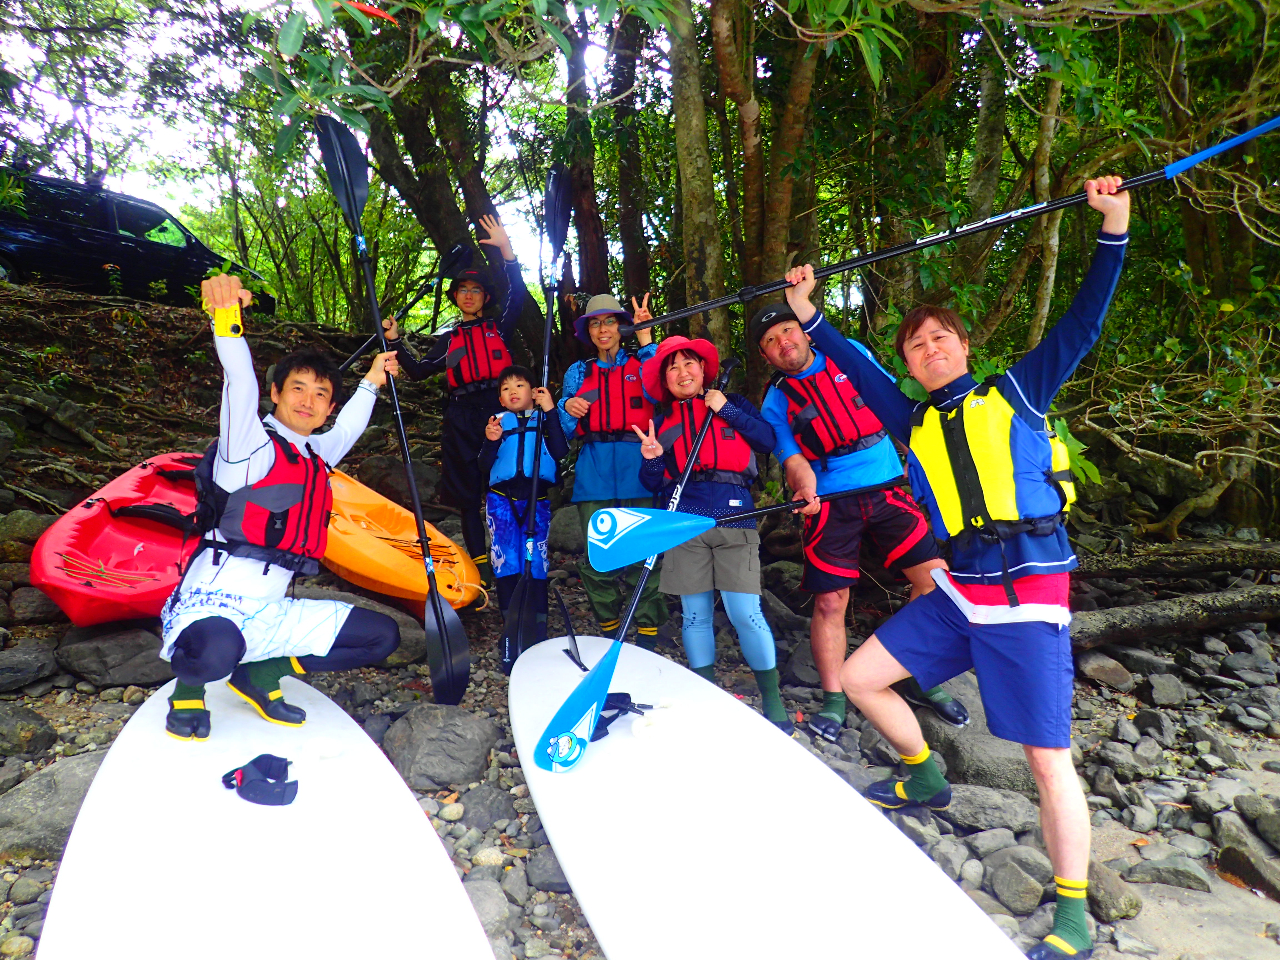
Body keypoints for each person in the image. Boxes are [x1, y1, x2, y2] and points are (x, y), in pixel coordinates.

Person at [783, 177, 1130, 960]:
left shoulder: (1018, 394)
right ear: (909, 363)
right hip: (961, 594)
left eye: (941, 338)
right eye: (917, 345)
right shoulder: (912, 421)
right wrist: (807, 312)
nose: (930, 349)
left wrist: (1113, 227)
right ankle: (925, 775)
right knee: (861, 678)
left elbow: (1084, 321)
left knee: (1047, 762)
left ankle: (1073, 914)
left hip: (1028, 600)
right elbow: (855, 371)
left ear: (964, 347)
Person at [161, 274, 402, 741]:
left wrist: (373, 380)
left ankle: (259, 674)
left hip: (271, 611)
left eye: (321, 395)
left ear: (328, 408)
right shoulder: (247, 446)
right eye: (298, 389)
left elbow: (349, 428)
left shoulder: (315, 455)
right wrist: (226, 320)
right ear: (276, 393)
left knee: (382, 637)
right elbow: (239, 383)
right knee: (216, 651)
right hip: (212, 603)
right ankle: (188, 689)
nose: (308, 402)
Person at [752, 304, 968, 743]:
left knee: (935, 582)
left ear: (805, 332)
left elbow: (890, 403)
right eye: (771, 341)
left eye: (788, 330)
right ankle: (834, 699)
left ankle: (915, 673)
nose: (783, 342)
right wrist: (804, 486)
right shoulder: (776, 400)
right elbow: (792, 458)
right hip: (831, 501)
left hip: (887, 486)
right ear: (765, 356)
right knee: (831, 601)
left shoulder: (847, 351)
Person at [633, 335, 792, 734]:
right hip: (685, 522)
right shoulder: (662, 423)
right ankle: (705, 694)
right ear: (665, 381)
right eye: (672, 368)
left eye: (689, 363)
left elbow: (767, 440)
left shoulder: (731, 403)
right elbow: (653, 483)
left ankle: (772, 701)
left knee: (745, 613)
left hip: (735, 516)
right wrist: (652, 460)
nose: (682, 372)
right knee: (695, 616)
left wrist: (726, 410)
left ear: (704, 369)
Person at [382, 214, 529, 593]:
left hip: (498, 411)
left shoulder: (498, 328)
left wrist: (507, 252)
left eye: (475, 290)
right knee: (466, 497)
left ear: (484, 298)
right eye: (462, 290)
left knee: (507, 485)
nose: (468, 295)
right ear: (455, 297)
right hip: (461, 416)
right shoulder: (448, 341)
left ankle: (514, 559)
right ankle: (480, 567)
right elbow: (417, 370)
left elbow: (519, 295)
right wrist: (395, 340)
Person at [557, 293, 667, 645]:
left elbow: (661, 391)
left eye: (609, 322)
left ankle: (646, 634)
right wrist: (566, 406)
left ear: (622, 327)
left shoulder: (642, 364)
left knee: (644, 553)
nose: (603, 329)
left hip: (640, 466)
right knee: (597, 556)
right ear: (587, 331)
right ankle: (609, 629)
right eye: (595, 323)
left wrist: (647, 338)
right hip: (595, 469)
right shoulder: (579, 372)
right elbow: (563, 428)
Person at [480, 365, 570, 671]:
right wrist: (491, 441)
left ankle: (538, 628)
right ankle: (511, 626)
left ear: (533, 392)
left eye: (519, 385)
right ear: (501, 400)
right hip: (502, 502)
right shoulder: (498, 423)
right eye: (506, 389)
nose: (513, 392)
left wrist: (551, 410)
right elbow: (483, 465)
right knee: (507, 563)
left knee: (536, 564)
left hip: (536, 501)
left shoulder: (544, 419)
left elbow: (560, 451)